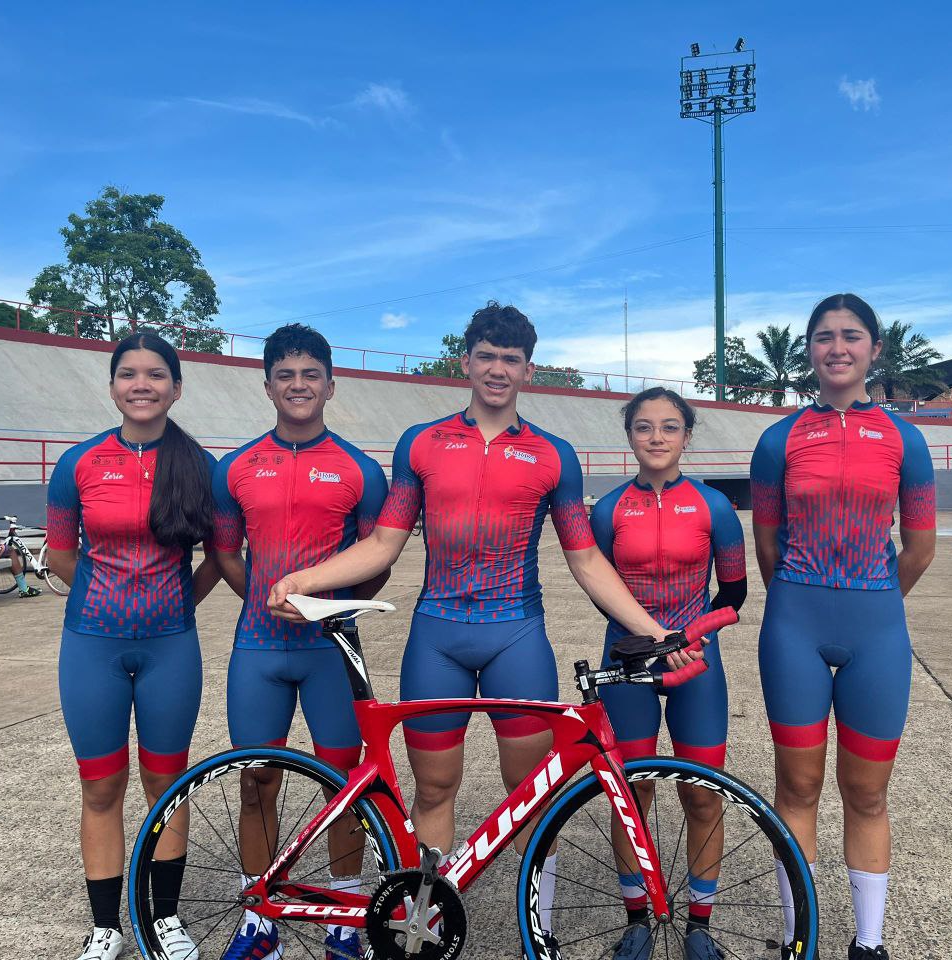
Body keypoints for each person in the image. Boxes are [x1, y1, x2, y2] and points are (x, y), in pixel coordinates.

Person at [267, 301, 679, 949]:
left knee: (530, 793)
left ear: (528, 370)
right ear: (466, 362)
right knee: (433, 790)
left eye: (510, 359)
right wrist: (305, 579)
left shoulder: (552, 454)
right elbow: (383, 545)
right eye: (486, 356)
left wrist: (652, 629)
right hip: (438, 636)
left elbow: (585, 559)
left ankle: (538, 928)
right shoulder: (422, 443)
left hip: (517, 635)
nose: (497, 369)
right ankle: (421, 928)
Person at [750, 294, 936, 960]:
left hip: (876, 632)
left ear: (873, 349)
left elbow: (919, 547)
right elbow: (766, 544)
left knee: (867, 793)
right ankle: (796, 938)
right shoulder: (779, 440)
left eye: (851, 336)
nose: (837, 348)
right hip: (794, 628)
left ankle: (869, 942)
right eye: (824, 336)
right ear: (809, 349)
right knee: (797, 787)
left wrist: (875, 600)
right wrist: (802, 597)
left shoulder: (904, 439)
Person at [211, 324, 389, 960]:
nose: (298, 385)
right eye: (285, 375)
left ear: (331, 386)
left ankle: (345, 917)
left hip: (331, 651)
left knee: (344, 785)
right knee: (255, 781)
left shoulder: (361, 470)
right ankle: (260, 919)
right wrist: (269, 600)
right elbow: (226, 553)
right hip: (258, 647)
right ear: (267, 386)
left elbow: (378, 560)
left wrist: (323, 607)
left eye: (311, 374)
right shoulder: (235, 467)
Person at [45, 333, 221, 960]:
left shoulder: (202, 467)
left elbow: (218, 559)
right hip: (92, 646)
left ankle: (164, 918)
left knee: (166, 783)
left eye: (155, 374)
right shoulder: (79, 463)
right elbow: (61, 555)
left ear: (177, 387)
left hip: (170, 647)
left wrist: (170, 605)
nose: (141, 385)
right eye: (128, 374)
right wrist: (111, 601)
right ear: (113, 385)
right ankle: (105, 927)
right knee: (100, 787)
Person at [590, 387, 747, 960]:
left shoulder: (714, 506)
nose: (657, 438)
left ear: (687, 435)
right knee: (631, 795)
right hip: (626, 661)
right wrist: (653, 640)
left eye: (670, 427)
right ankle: (637, 919)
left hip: (696, 659)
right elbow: (602, 590)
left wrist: (690, 638)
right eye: (644, 427)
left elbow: (734, 593)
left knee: (702, 795)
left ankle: (700, 925)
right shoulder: (608, 509)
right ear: (629, 435)